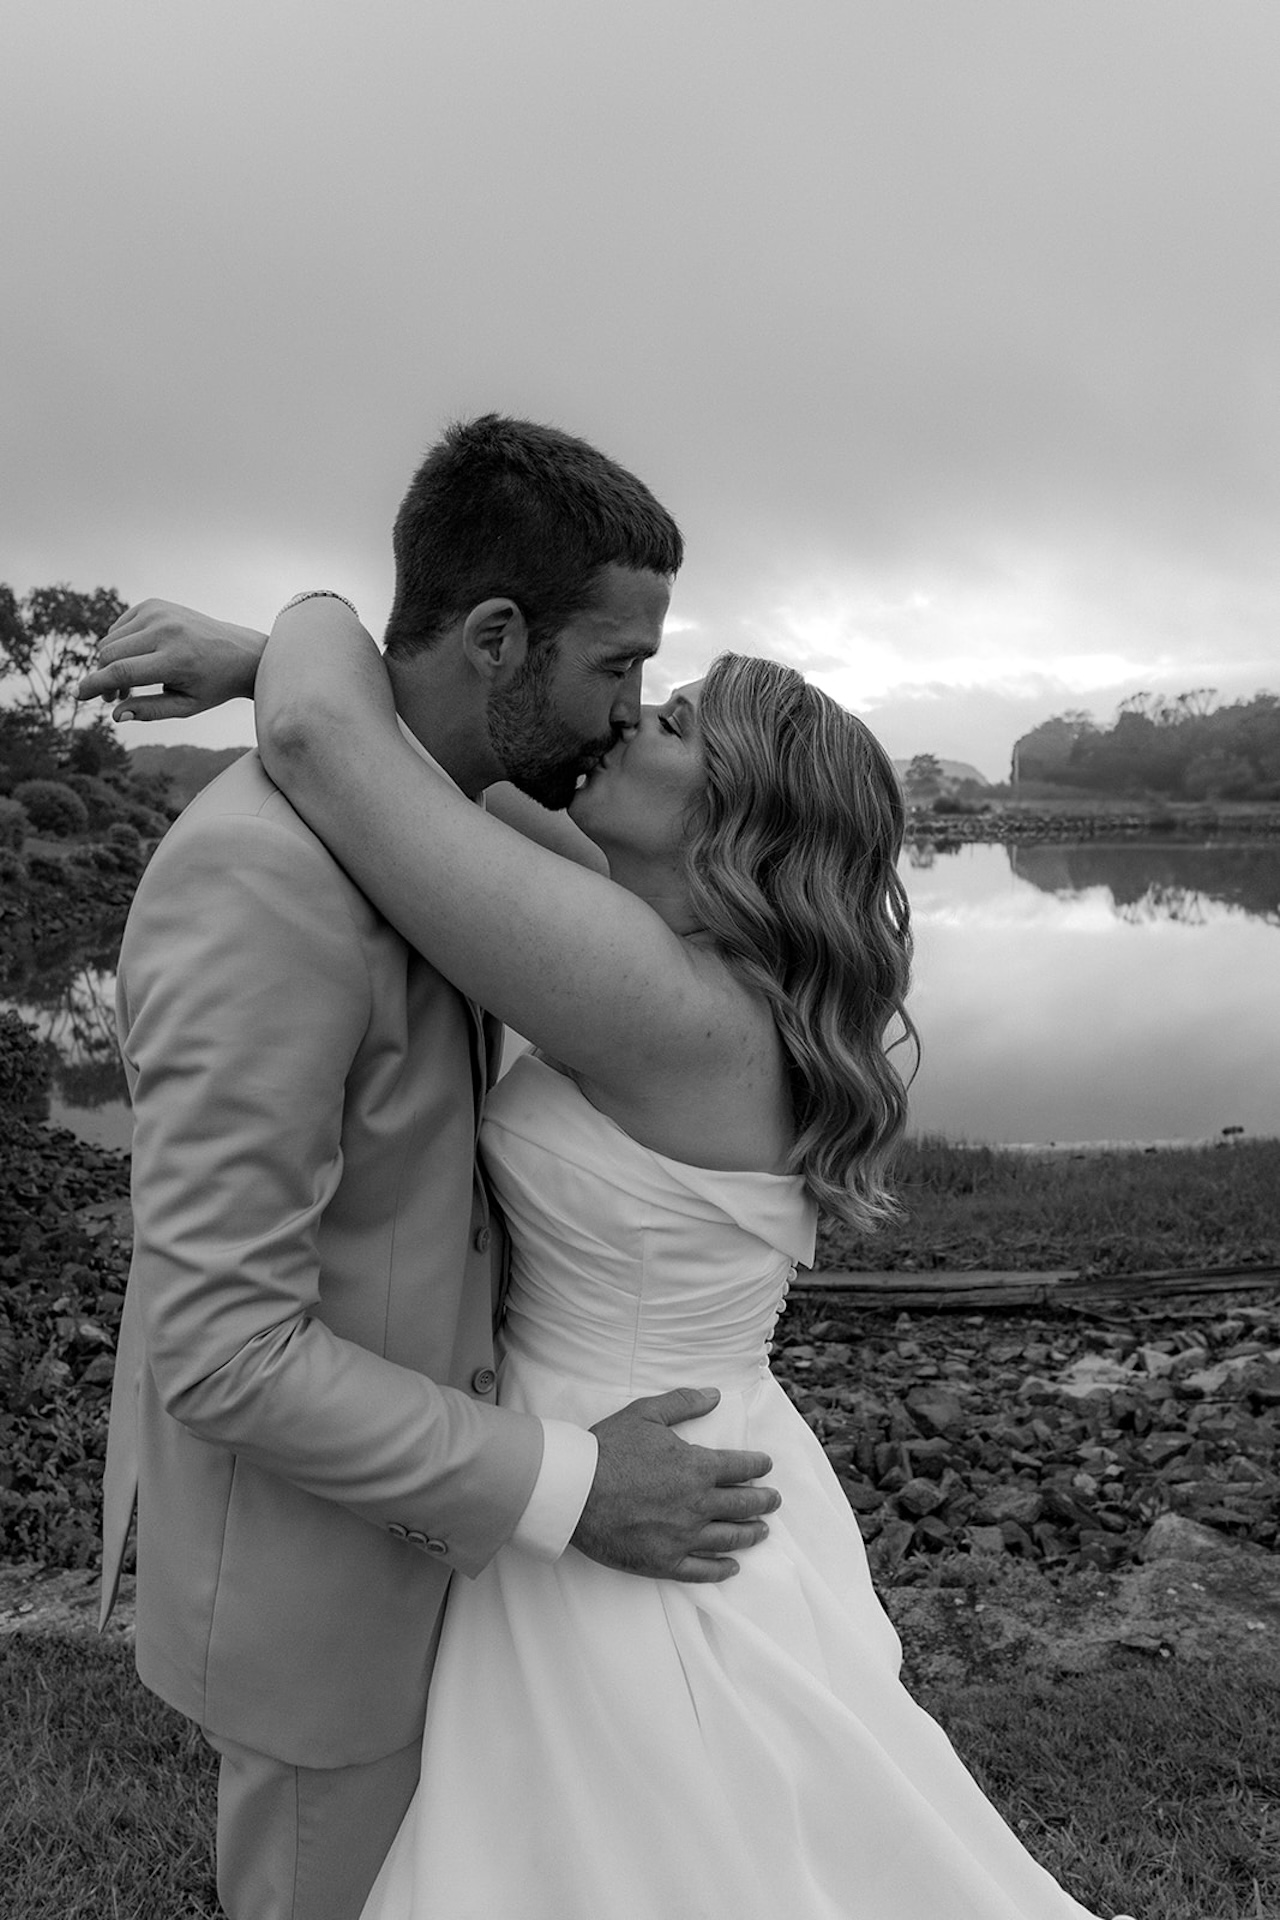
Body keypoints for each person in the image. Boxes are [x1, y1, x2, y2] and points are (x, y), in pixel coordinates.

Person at [90, 576, 1135, 1917]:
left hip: (623, 1475)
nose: (630, 721)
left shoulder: (665, 1005)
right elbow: (433, 770)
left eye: (677, 723)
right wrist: (289, 668)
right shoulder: (674, 944)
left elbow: (335, 752)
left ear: (738, 823)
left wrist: (283, 640)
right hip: (661, 1435)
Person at [86, 416, 786, 1920]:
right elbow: (220, 1347)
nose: (630, 713)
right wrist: (567, 1484)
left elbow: (348, 716)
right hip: (329, 1595)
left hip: (470, 1573)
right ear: (497, 638)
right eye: (619, 666)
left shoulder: (458, 823)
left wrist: (272, 650)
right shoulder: (257, 879)